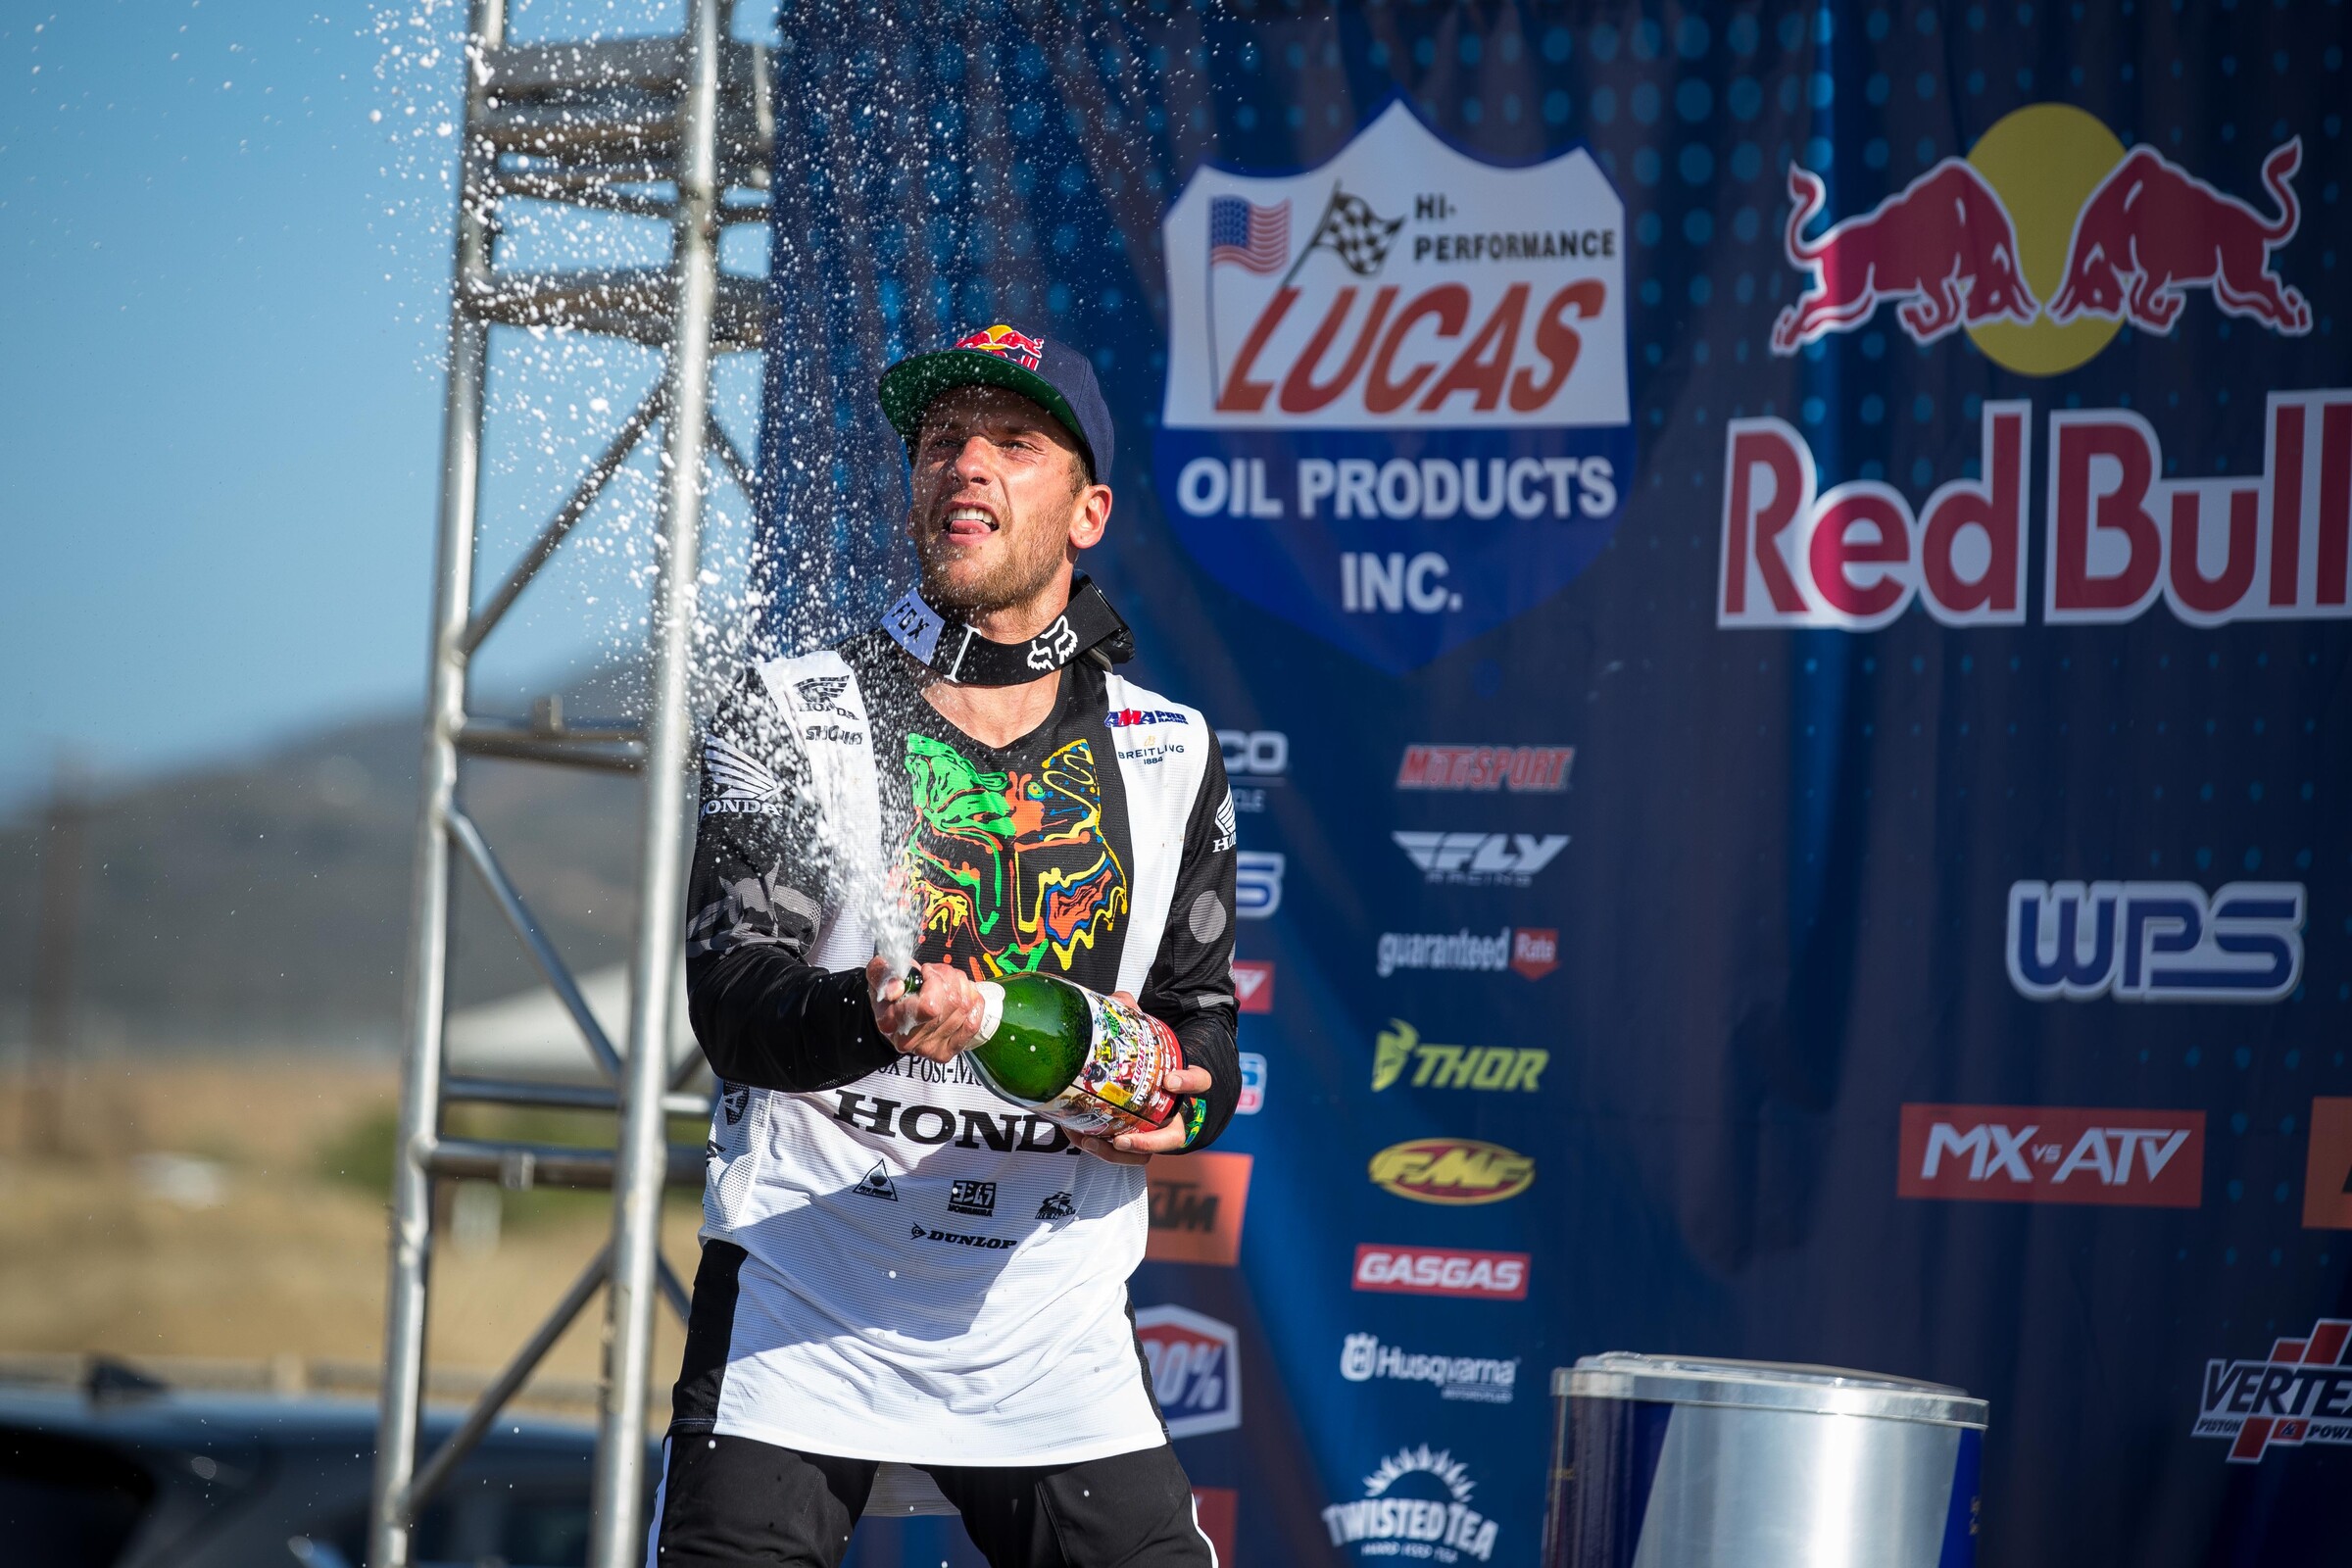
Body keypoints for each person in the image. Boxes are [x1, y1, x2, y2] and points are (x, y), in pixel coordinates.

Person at [650, 324, 1240, 1568]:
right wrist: (871, 1013)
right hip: (807, 1297)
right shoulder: (792, 707)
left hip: (1043, 1319)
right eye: (940, 441)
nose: (964, 462)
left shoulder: (1168, 746)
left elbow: (1201, 1023)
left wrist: (1183, 1100)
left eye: (1012, 442)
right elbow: (732, 1000)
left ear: (1088, 512)